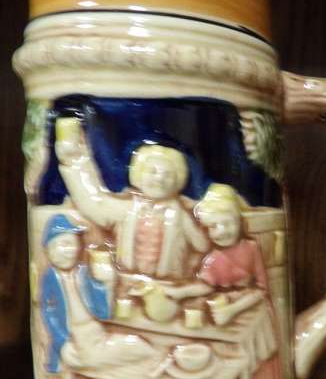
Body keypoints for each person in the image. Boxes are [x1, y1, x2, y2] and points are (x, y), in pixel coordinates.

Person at [39, 214, 162, 379]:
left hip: (97, 338)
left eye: (72, 244)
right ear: (49, 249)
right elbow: (48, 314)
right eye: (62, 245)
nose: (68, 250)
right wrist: (63, 343)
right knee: (148, 357)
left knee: (137, 359)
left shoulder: (85, 273)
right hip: (75, 345)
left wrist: (108, 282)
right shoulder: (49, 279)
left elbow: (103, 312)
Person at [163, 184, 283, 379]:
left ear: (238, 221)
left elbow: (261, 290)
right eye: (214, 227)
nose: (222, 231)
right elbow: (204, 286)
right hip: (224, 311)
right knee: (228, 361)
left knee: (259, 361)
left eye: (227, 223)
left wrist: (233, 309)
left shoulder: (251, 248)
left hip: (253, 308)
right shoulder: (213, 260)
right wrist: (178, 293)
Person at [54, 117, 210, 279]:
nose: (159, 179)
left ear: (178, 181)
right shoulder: (127, 209)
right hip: (128, 281)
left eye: (168, 174)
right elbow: (94, 204)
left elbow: (202, 245)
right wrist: (74, 161)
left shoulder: (181, 217)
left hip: (165, 285)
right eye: (152, 171)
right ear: (138, 175)